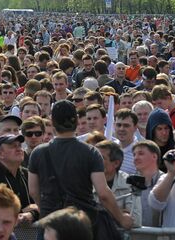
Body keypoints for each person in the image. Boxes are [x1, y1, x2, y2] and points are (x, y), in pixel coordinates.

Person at [28, 100, 133, 238]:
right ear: (77, 121)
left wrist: (47, 210)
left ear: (52, 122)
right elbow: (103, 193)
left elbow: (34, 191)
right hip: (81, 225)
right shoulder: (91, 152)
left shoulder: (37, 153)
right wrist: (122, 219)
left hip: (49, 224)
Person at [0, 134, 39, 223]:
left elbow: (41, 205)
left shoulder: (27, 174)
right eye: (13, 146)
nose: (19, 149)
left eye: (20, 146)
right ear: (0, 154)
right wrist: (21, 212)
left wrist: (31, 214)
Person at [95, 140, 142, 227]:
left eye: (100, 157)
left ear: (116, 163)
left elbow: (135, 221)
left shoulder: (129, 183)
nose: (94, 161)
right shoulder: (85, 179)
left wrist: (102, 210)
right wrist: (120, 214)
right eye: (93, 156)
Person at [132, 140, 162, 227]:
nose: (136, 158)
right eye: (134, 154)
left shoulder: (167, 180)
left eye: (141, 153)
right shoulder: (129, 181)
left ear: (154, 156)